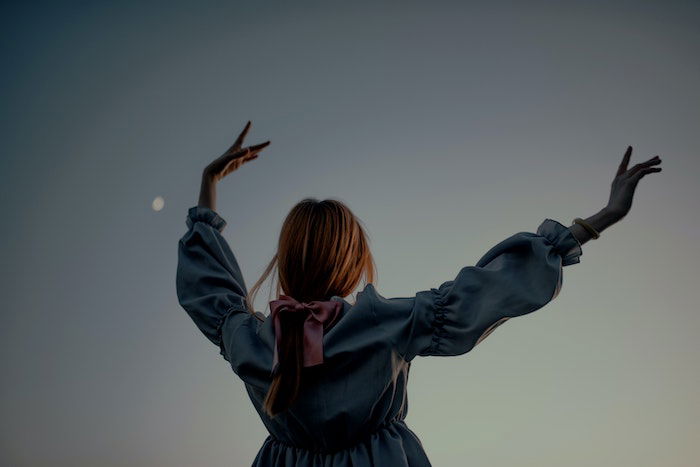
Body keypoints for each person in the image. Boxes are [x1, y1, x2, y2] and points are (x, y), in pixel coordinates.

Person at [176, 121, 662, 466]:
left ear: (285, 258)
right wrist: (596, 221)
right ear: (352, 261)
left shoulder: (249, 338)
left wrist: (208, 183)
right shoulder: (385, 322)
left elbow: (210, 281)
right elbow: (488, 288)